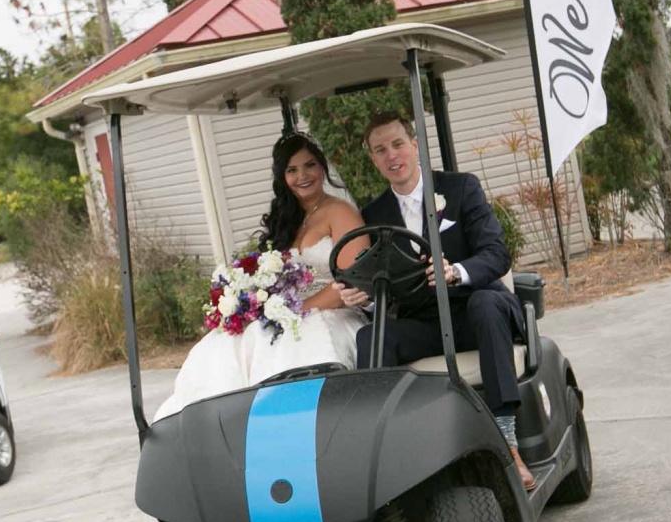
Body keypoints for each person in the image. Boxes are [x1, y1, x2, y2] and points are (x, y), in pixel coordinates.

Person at [339, 112, 535, 490]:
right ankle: (386, 456)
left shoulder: (460, 189)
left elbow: (497, 254)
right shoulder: (374, 215)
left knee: (485, 305)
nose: (391, 155)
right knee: (371, 337)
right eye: (380, 150)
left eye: (398, 144)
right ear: (373, 159)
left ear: (415, 145)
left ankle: (509, 446)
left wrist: (455, 271)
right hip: (426, 322)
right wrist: (364, 298)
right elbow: (384, 284)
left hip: (479, 311)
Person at [151, 134, 369, 422]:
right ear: (283, 177)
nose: (302, 176)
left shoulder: (340, 212)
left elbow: (352, 279)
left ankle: (285, 421)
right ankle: (220, 421)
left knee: (294, 344)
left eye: (310, 165)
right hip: (286, 312)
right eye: (292, 170)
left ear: (322, 168)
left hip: (333, 309)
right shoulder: (288, 218)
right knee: (227, 343)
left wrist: (298, 309)